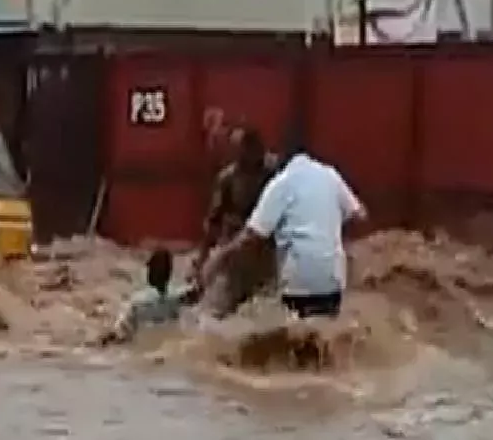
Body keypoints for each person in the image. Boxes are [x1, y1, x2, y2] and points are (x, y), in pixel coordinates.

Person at [202, 136, 366, 320]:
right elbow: (360, 215)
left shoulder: (281, 182)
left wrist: (217, 258)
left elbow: (252, 234)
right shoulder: (330, 174)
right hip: (332, 278)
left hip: (296, 278)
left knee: (290, 336)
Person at [192, 126, 278, 316]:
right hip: (236, 249)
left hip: (267, 248)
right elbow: (213, 222)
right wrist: (202, 260)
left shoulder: (276, 173)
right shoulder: (228, 178)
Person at [101, 248, 200, 345]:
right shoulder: (177, 298)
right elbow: (194, 295)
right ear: (169, 273)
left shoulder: (136, 302)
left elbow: (119, 331)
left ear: (149, 271)